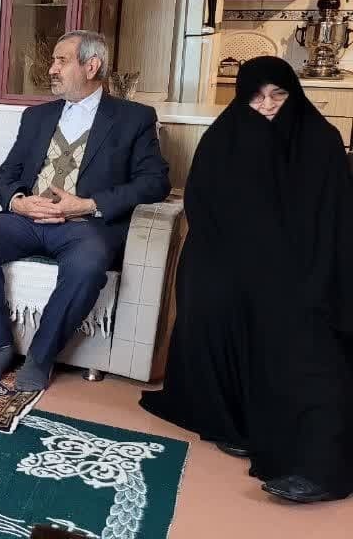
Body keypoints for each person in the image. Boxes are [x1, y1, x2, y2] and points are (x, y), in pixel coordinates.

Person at [139, 56, 353, 504]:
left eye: (278, 95)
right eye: (256, 97)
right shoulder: (225, 136)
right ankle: (226, 419)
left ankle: (319, 467)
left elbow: (333, 221)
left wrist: (290, 271)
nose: (268, 105)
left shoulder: (320, 140)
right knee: (210, 300)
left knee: (306, 338)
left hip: (301, 266)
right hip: (229, 259)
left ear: (294, 94)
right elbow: (202, 205)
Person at [0, 30, 170, 391]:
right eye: (53, 60)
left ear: (92, 66)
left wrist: (88, 204)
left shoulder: (133, 118)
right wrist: (18, 202)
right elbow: (7, 174)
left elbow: (155, 182)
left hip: (83, 226)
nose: (52, 69)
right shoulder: (37, 117)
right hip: (29, 219)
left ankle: (41, 357)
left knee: (88, 264)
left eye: (62, 60)